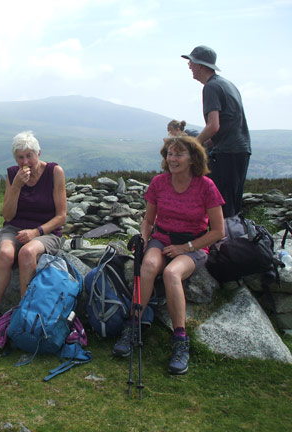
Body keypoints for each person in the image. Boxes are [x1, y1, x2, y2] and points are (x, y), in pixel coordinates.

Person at [112, 135, 225, 375]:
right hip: (161, 238)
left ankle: (180, 341)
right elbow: (149, 220)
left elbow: (218, 231)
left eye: (178, 154)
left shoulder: (206, 186)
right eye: (170, 154)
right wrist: (143, 237)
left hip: (193, 245)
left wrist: (186, 248)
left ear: (193, 158)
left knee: (173, 273)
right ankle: (133, 328)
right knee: (149, 266)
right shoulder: (159, 183)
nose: (172, 159)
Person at [0, 130, 67, 344]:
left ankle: (25, 314)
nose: (26, 161)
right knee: (5, 253)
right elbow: (7, 215)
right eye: (20, 157)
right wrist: (16, 185)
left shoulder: (54, 172)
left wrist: (36, 232)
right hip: (15, 227)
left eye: (29, 156)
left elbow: (61, 216)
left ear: (38, 153)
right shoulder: (12, 174)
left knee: (27, 252)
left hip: (46, 231)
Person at [182, 45, 251, 217]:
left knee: (218, 205)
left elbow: (213, 126)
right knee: (232, 204)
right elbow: (228, 124)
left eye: (191, 62)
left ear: (201, 65)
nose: (189, 66)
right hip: (240, 150)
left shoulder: (211, 87)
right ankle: (233, 240)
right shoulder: (228, 85)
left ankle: (222, 242)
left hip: (226, 152)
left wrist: (193, 146)